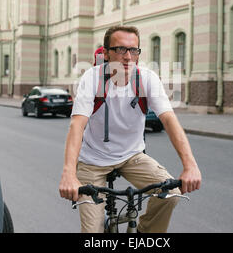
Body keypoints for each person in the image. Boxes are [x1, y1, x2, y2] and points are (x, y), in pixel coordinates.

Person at [59, 25, 202, 233]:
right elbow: (77, 126)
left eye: (133, 50)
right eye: (120, 50)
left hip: (132, 156)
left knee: (171, 194)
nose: (128, 56)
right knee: (92, 233)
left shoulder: (146, 78)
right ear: (107, 53)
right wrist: (69, 174)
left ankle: (143, 233)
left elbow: (170, 121)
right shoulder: (92, 78)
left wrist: (190, 165)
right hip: (93, 162)